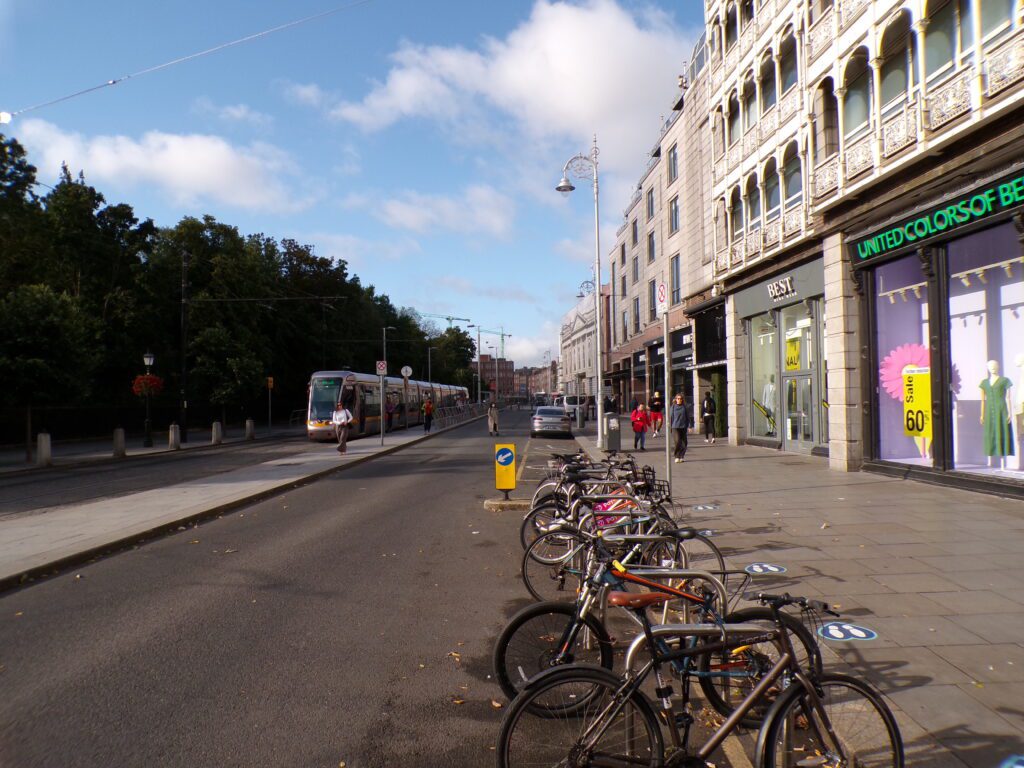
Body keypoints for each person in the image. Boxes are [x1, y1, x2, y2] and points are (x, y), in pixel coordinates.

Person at [669, 393, 690, 463]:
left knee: (684, 443)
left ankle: (681, 456)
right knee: (677, 441)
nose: (679, 400)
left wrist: (690, 426)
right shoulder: (673, 407)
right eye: (678, 399)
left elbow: (688, 417)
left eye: (681, 399)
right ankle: (677, 456)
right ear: (676, 399)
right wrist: (669, 427)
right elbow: (670, 418)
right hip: (675, 426)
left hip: (683, 426)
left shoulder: (685, 407)